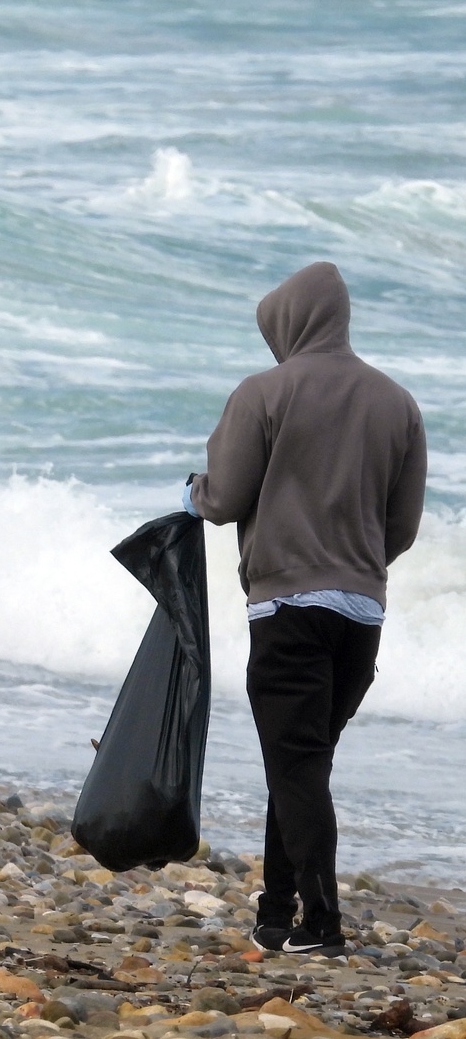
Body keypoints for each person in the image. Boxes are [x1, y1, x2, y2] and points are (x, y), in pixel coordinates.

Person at [185, 262, 426, 957]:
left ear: (291, 324)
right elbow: (402, 528)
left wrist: (192, 494)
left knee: (295, 766)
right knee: (302, 766)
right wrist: (353, 562)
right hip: (361, 614)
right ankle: (274, 913)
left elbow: (224, 498)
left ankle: (321, 926)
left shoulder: (264, 392)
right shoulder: (398, 403)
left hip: (287, 608)